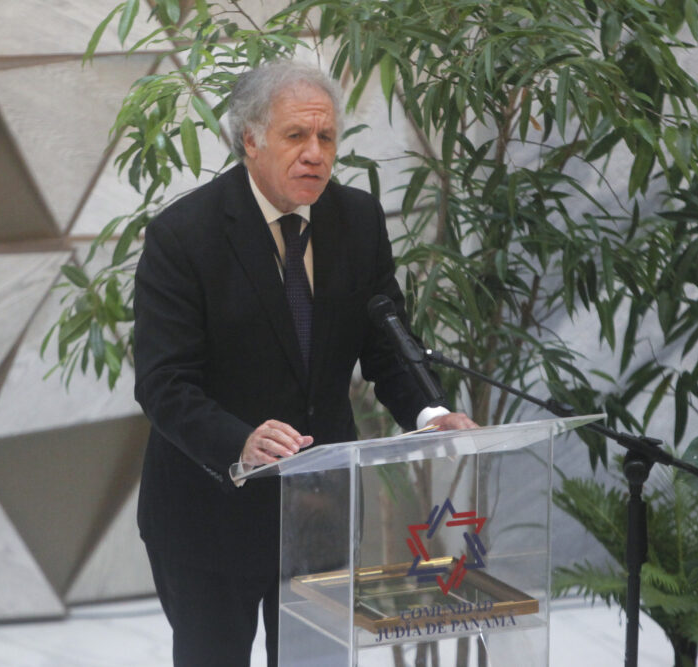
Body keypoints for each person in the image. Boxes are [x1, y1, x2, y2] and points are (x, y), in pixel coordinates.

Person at [133, 60, 477, 667]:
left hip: (321, 510)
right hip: (210, 517)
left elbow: (387, 342)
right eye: (296, 136)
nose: (315, 154)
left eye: (326, 138)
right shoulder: (183, 237)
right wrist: (240, 441)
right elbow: (163, 383)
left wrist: (430, 411)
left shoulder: (358, 221)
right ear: (251, 139)